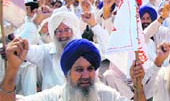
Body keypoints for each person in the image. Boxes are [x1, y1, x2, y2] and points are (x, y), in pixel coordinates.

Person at [0, 38, 146, 101]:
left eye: (90, 69)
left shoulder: (106, 95)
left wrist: (138, 86)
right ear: (67, 74)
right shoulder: (54, 96)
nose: (85, 75)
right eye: (78, 69)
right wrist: (12, 69)